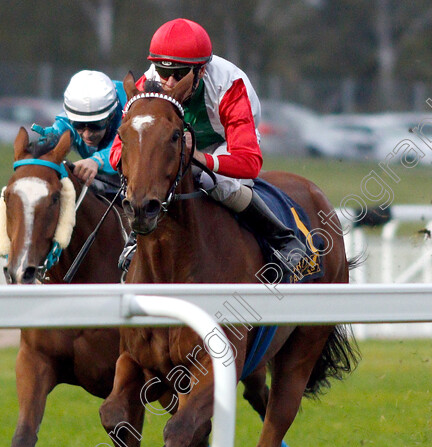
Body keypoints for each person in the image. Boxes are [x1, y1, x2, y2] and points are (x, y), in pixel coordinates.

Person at [111, 18, 308, 276]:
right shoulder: (148, 86)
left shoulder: (230, 86)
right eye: (162, 70)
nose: (169, 82)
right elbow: (118, 151)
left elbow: (249, 163)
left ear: (201, 71)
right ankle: (135, 241)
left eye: (180, 74)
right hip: (178, 143)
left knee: (214, 181)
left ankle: (281, 237)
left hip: (227, 141)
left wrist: (201, 158)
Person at [32, 70, 126, 188]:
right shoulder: (71, 115)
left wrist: (97, 161)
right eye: (79, 125)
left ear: (111, 116)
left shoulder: (130, 112)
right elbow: (61, 127)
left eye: (95, 125)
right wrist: (49, 140)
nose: (87, 135)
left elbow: (129, 147)